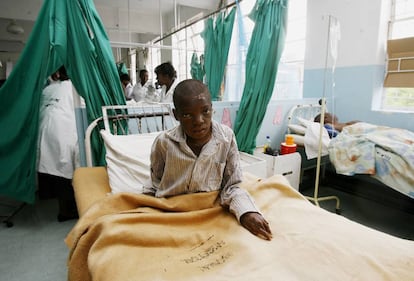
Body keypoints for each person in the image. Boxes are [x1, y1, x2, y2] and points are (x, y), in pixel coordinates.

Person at [143, 79, 273, 241]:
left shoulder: (226, 138)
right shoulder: (164, 143)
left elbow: (232, 185)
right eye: (187, 115)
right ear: (176, 115)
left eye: (205, 111)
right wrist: (147, 207)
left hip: (211, 210)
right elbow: (156, 181)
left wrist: (247, 212)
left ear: (212, 109)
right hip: (171, 210)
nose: (198, 121)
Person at [37, 66, 79, 222]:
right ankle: (66, 212)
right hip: (62, 130)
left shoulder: (50, 89)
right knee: (65, 170)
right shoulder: (75, 88)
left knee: (50, 164)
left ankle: (47, 195)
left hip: (44, 128)